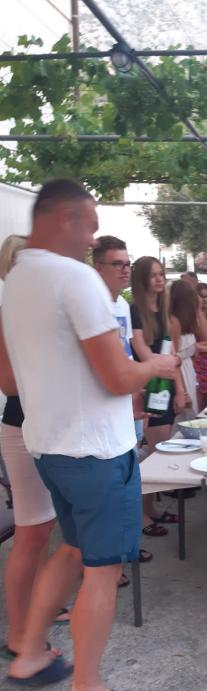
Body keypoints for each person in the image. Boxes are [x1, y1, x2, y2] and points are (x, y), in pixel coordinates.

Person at [0, 179, 178, 691]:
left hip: (50, 446)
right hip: (98, 452)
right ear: (64, 219)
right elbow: (119, 376)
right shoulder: (75, 278)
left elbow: (12, 379)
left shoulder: (15, 279)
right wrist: (156, 366)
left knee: (73, 549)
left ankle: (29, 652)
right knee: (101, 569)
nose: (93, 239)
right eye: (91, 226)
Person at [0, 235, 69, 660]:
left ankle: (38, 609)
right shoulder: (7, 313)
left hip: (45, 428)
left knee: (43, 527)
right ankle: (18, 634)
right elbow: (9, 384)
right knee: (30, 532)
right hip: (22, 428)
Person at [92, 236, 154, 579]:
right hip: (103, 412)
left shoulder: (123, 307)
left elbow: (127, 355)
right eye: (117, 264)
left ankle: (124, 550)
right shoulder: (92, 305)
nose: (125, 270)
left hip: (127, 403)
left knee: (130, 476)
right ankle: (106, 567)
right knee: (109, 488)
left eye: (127, 264)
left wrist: (137, 391)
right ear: (97, 267)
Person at [130, 256, 187, 536]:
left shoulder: (163, 312)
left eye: (161, 274)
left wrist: (181, 389)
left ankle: (150, 509)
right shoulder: (134, 311)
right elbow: (144, 355)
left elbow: (171, 355)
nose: (159, 279)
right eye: (153, 275)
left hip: (165, 387)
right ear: (142, 280)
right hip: (146, 390)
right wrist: (169, 364)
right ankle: (141, 515)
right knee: (152, 455)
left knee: (159, 451)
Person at [169, 279, 207, 416]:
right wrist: (182, 391)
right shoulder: (173, 323)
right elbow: (174, 358)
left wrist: (198, 310)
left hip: (189, 370)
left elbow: (206, 336)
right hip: (181, 373)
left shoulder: (187, 321)